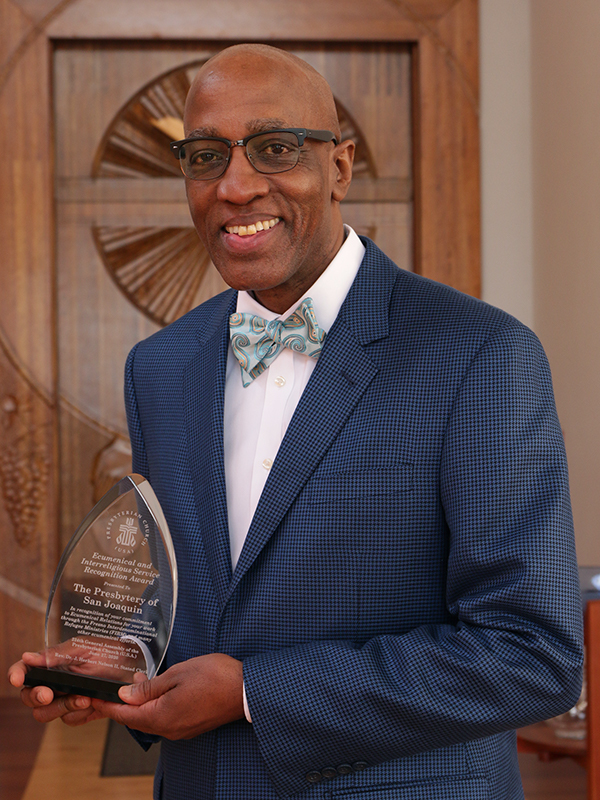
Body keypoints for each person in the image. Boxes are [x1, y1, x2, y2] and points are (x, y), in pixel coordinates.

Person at [9, 44, 583, 800]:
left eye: (275, 149)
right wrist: (122, 673)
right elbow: (197, 611)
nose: (236, 186)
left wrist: (254, 692)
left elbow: (529, 652)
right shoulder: (160, 366)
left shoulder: (479, 353)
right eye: (206, 156)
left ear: (340, 166)